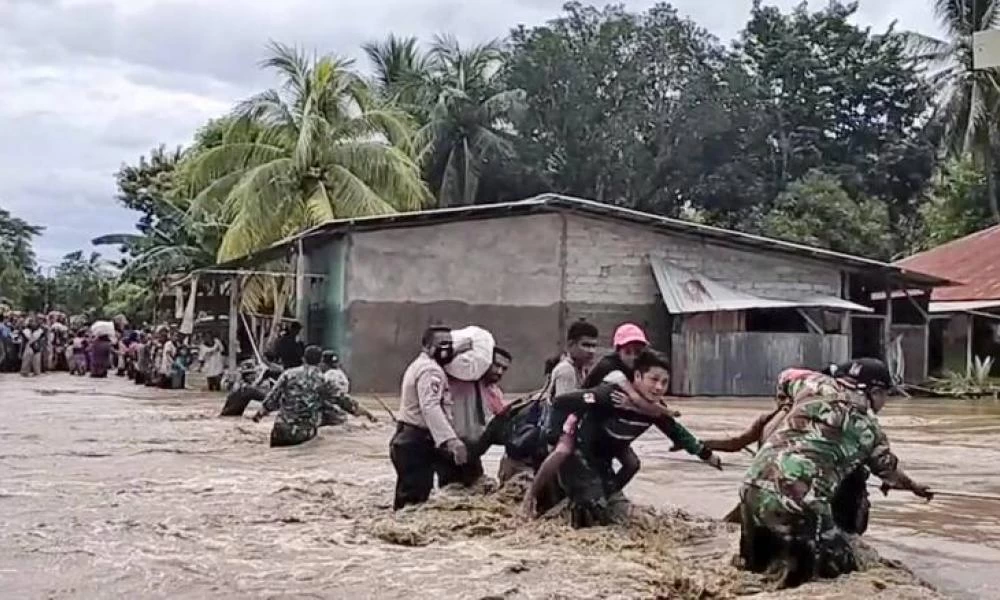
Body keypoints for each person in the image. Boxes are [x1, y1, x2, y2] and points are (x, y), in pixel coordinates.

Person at [738, 358, 933, 587]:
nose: (885, 402)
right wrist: (915, 487)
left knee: (749, 568)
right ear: (875, 392)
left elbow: (785, 376)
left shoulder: (812, 383)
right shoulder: (869, 430)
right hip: (802, 502)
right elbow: (890, 472)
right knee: (841, 572)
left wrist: (787, 406)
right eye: (885, 395)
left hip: (751, 487)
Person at [390, 326, 480, 510]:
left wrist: (462, 347)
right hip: (416, 442)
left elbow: (450, 351)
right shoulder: (431, 371)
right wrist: (452, 441)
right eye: (441, 345)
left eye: (449, 344)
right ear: (427, 346)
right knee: (414, 501)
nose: (446, 349)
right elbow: (430, 407)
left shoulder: (422, 364)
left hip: (409, 438)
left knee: (413, 498)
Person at [251, 345, 342, 447]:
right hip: (303, 433)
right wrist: (358, 410)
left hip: (280, 430)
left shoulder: (288, 374)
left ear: (303, 359)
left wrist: (259, 414)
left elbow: (272, 398)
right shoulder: (323, 380)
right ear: (320, 361)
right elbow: (340, 399)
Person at [549, 320, 599, 398]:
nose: (591, 351)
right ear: (571, 345)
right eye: (586, 345)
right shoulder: (566, 369)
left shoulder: (581, 368)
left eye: (593, 346)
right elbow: (564, 406)